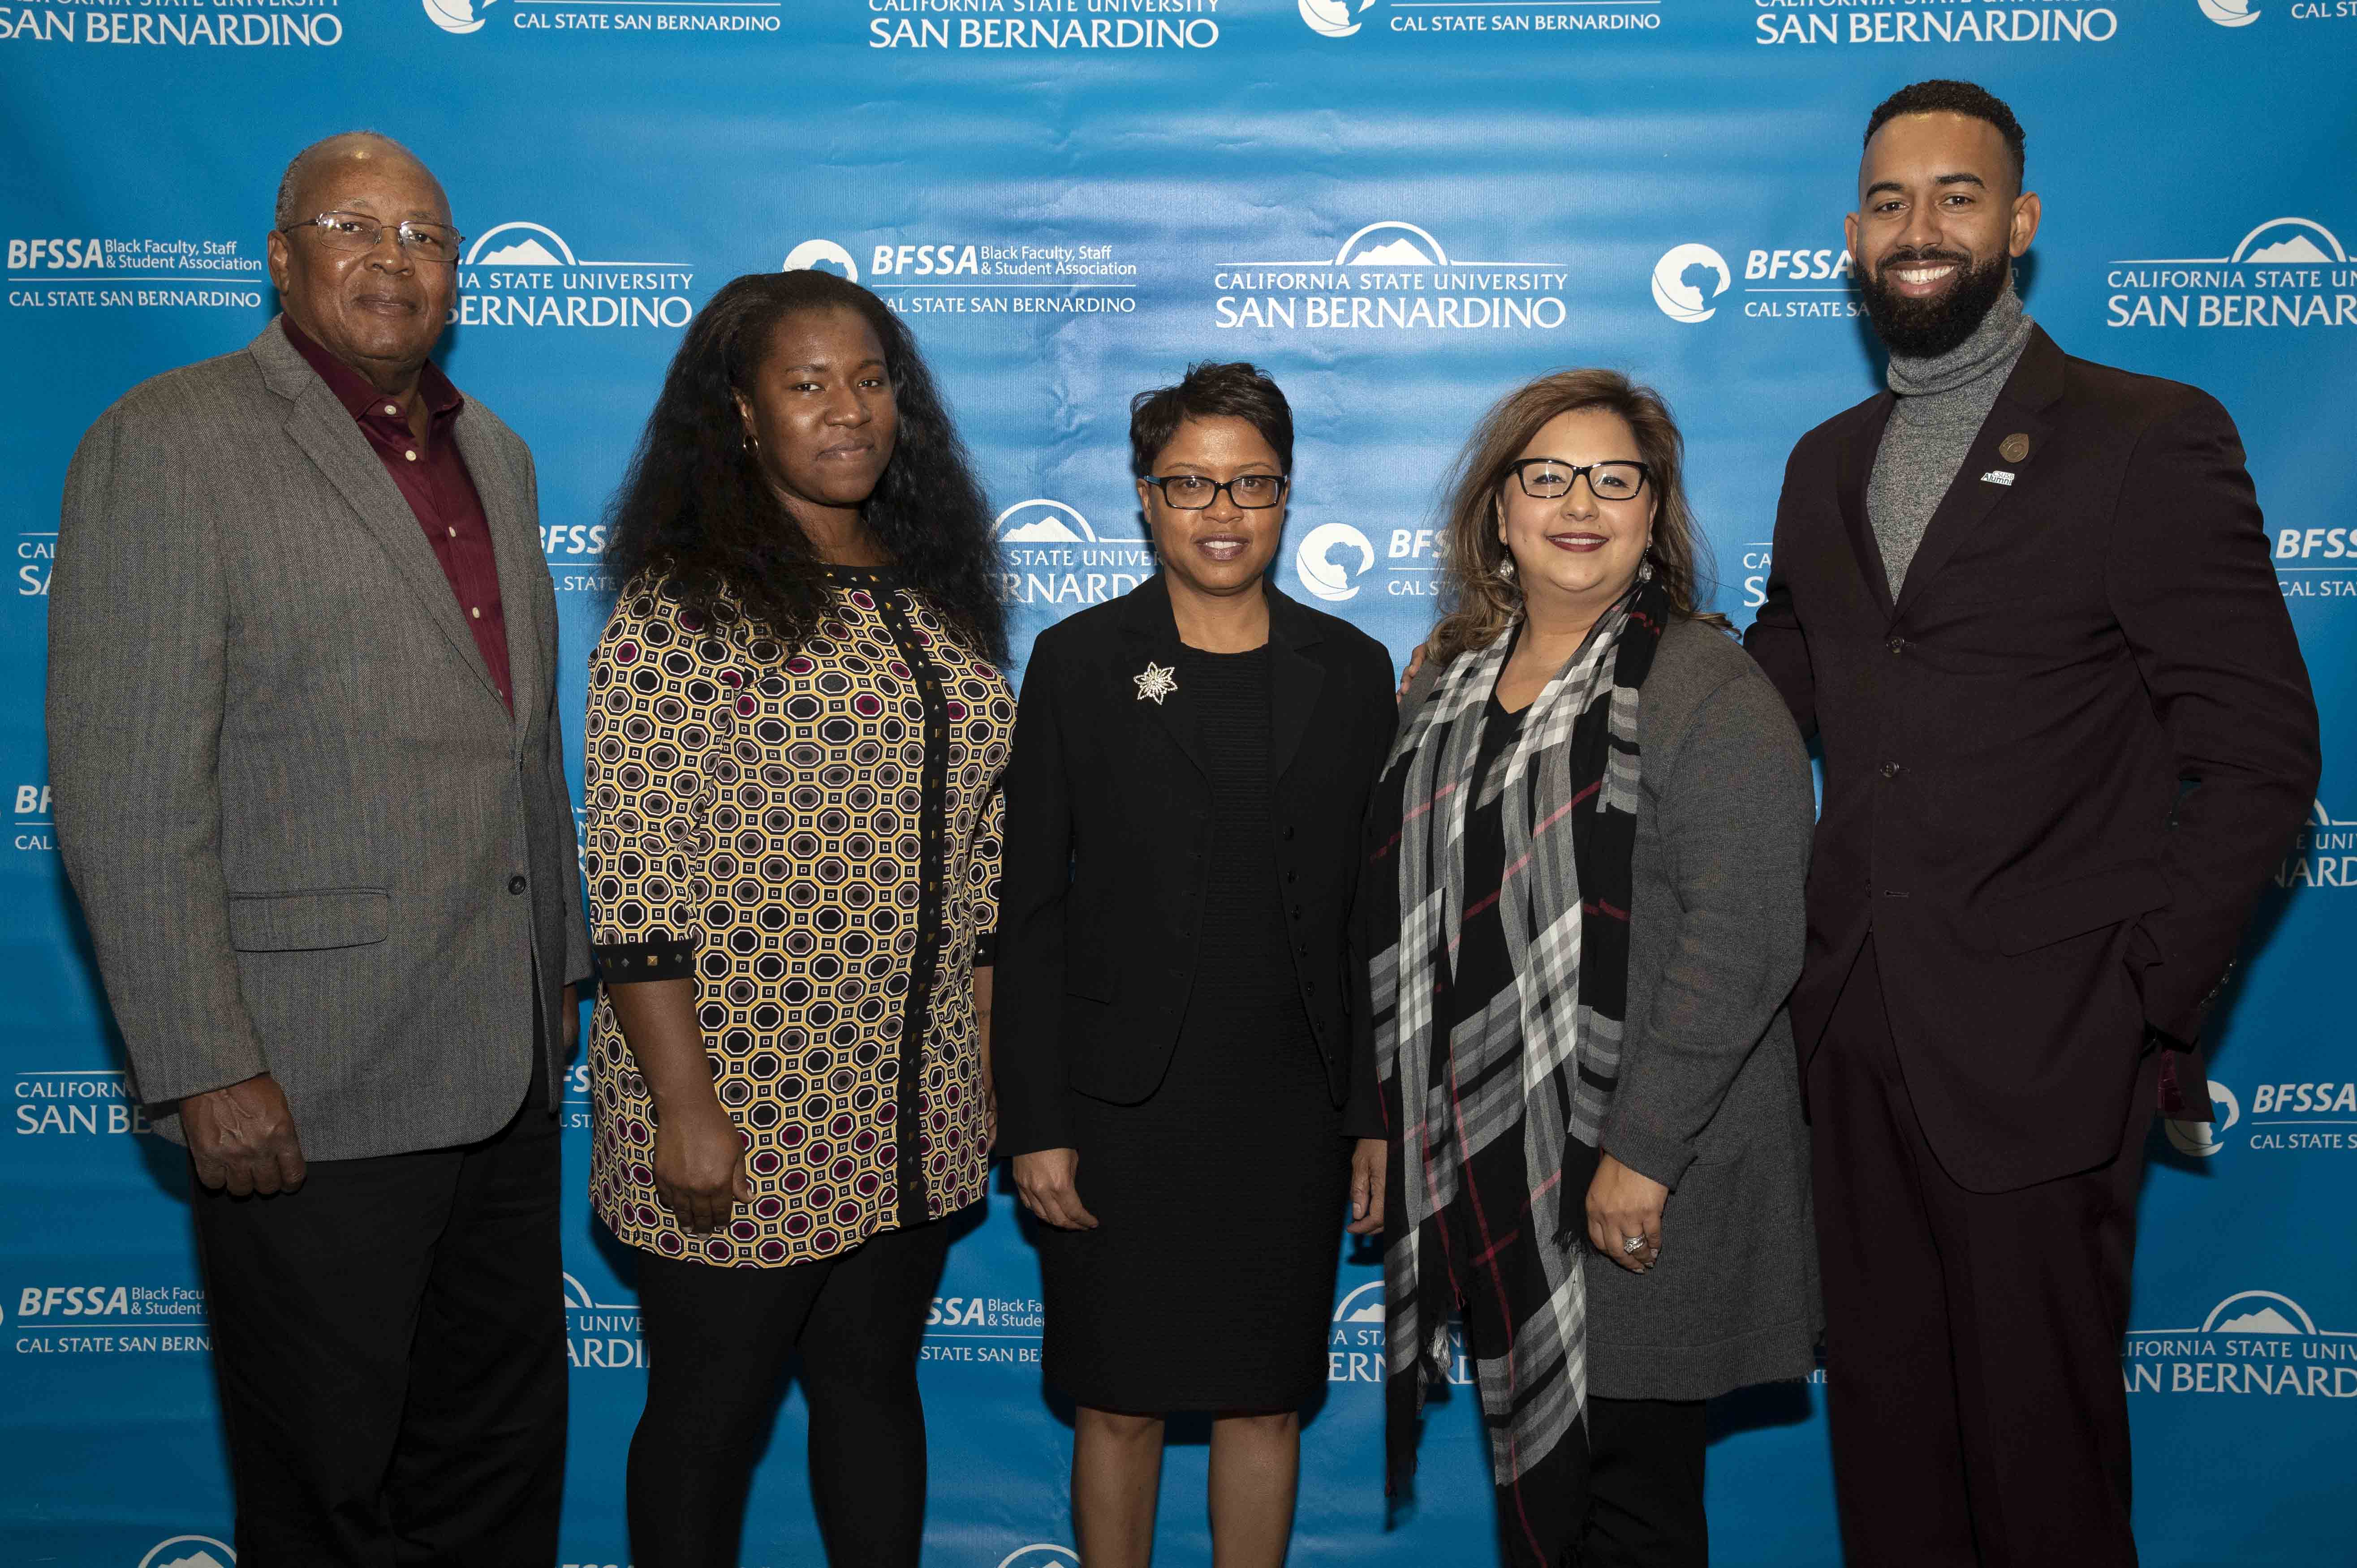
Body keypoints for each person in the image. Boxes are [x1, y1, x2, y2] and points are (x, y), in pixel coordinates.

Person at [1745, 79, 2319, 1566]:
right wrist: (1540, 663)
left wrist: (2143, 1000)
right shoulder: (1824, 465)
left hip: (2051, 1052)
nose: (1917, 228)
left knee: (2041, 1472)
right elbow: (1752, 711)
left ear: (2021, 224)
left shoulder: (2147, 436)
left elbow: (2261, 748)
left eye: (1954, 196)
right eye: (1888, 202)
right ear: (1851, 239)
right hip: (1856, 1046)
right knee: (1888, 1462)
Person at [47, 132, 590, 1563]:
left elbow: (519, 745)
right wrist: (203, 1060)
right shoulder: (169, 441)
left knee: (496, 1463)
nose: (393, 260)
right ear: (281, 255)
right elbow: (126, 788)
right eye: (354, 226)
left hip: (505, 1067)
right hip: (305, 1077)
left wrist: (564, 969)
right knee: (329, 1489)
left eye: (424, 236)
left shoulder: (500, 454)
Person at [586, 268, 1012, 1568]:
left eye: (872, 379)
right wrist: (688, 1110)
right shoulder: (683, 607)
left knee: (876, 1399)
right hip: (743, 1100)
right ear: (743, 413)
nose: (849, 411)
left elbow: (984, 873)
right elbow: (638, 892)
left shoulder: (937, 591)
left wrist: (981, 1078)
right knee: (708, 1421)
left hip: (914, 1109)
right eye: (808, 383)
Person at [1370, 370, 1818, 1568]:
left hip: (1637, 1176)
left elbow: (1749, 937)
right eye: (1549, 476)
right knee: (1543, 1510)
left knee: (1629, 1510)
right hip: (1494, 1168)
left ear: (1652, 514)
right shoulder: (1447, 688)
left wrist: (1639, 1154)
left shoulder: (1705, 686)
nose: (1582, 503)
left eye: (1616, 481)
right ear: (1500, 512)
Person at [992, 361, 1395, 1568]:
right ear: (1146, 501)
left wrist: (1374, 1115)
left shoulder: (1354, 669)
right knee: (1118, 1404)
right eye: (1190, 485)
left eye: (1251, 485)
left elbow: (1374, 917)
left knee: (1264, 1401)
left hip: (1291, 1112)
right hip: (1121, 1113)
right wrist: (1036, 1120)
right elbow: (1029, 915)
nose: (1222, 513)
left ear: (1286, 497)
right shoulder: (1078, 663)